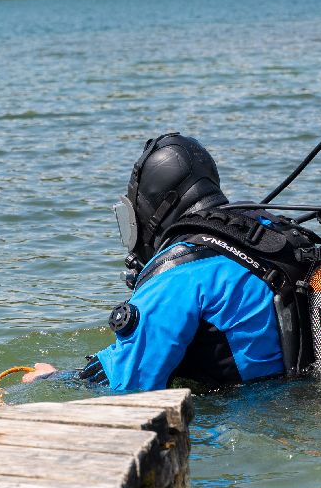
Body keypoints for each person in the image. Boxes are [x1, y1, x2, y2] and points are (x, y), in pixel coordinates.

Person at [22, 133, 291, 393]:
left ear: (155, 209)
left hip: (248, 418)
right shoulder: (271, 234)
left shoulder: (178, 271)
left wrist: (55, 378)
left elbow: (129, 384)